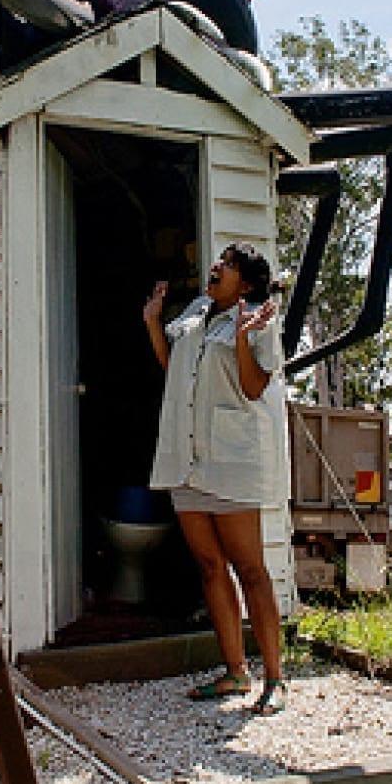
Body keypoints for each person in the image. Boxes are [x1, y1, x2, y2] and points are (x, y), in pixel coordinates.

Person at [143, 242, 289, 715]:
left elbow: (252, 386)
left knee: (251, 569)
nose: (216, 267)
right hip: (187, 458)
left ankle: (275, 678)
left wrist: (245, 339)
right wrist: (152, 324)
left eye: (227, 264)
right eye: (219, 261)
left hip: (231, 460)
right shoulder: (197, 311)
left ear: (245, 282)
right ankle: (235, 671)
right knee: (209, 567)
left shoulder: (260, 319)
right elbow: (175, 370)